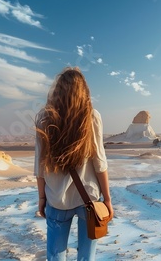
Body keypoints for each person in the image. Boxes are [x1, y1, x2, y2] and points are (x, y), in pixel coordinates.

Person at [34, 67, 113, 260]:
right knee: (87, 255)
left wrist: (42, 198)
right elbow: (99, 161)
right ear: (84, 91)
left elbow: (40, 165)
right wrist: (108, 199)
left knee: (55, 255)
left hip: (56, 197)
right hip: (89, 198)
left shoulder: (44, 118)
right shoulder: (92, 116)